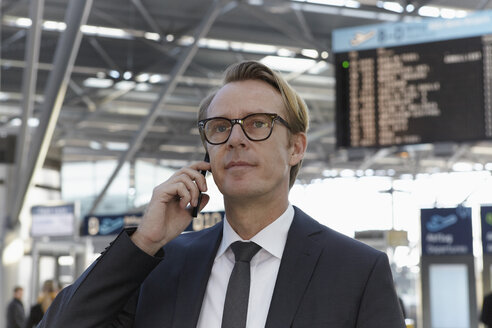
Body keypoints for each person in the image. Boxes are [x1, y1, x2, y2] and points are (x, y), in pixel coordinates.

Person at [38, 60, 405, 327]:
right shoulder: (161, 266)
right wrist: (144, 242)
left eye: (258, 123)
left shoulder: (356, 271)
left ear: (296, 148)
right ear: (207, 154)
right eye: (219, 127)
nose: (235, 138)